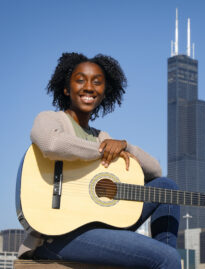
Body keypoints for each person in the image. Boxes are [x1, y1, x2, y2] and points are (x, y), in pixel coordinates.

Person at [18, 52, 181, 269]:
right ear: (66, 88)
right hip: (56, 235)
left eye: (97, 82)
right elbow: (51, 144)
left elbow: (156, 171)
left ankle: (166, 251)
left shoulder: (102, 136)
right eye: (80, 80)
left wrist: (125, 146)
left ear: (104, 93)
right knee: (168, 259)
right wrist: (101, 150)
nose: (89, 87)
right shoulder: (50, 119)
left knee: (167, 187)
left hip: (98, 228)